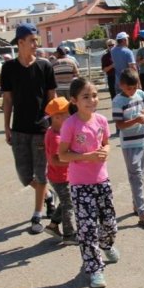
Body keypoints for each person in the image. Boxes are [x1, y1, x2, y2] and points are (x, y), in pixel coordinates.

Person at [58, 78, 118, 288]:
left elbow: (107, 144)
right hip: (80, 185)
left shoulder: (101, 120)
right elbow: (62, 155)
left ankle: (107, 244)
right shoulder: (70, 124)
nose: (92, 100)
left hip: (102, 180)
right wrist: (87, 157)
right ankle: (94, 269)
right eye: (86, 96)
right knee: (87, 228)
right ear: (73, 100)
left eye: (94, 95)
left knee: (109, 222)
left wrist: (106, 151)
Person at [1, 23, 57, 234]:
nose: (36, 44)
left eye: (36, 40)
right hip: (19, 129)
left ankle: (36, 214)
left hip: (41, 128)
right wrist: (6, 126)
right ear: (20, 42)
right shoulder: (8, 68)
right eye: (32, 40)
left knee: (41, 174)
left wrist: (54, 124)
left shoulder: (45, 66)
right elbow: (7, 100)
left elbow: (53, 98)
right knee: (25, 176)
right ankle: (49, 196)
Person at [112, 68, 144, 226]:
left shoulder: (140, 94)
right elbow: (119, 125)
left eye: (134, 87)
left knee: (140, 176)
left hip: (143, 141)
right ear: (121, 85)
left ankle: (136, 204)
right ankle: (143, 211)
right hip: (129, 144)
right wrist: (136, 121)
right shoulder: (118, 101)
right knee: (136, 176)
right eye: (128, 88)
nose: (131, 91)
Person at [43, 97, 78, 246]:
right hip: (59, 177)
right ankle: (69, 234)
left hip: (62, 175)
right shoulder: (54, 137)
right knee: (69, 204)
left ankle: (53, 226)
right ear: (57, 117)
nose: (70, 116)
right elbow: (53, 161)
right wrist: (73, 159)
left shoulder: (58, 132)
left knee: (65, 202)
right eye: (67, 114)